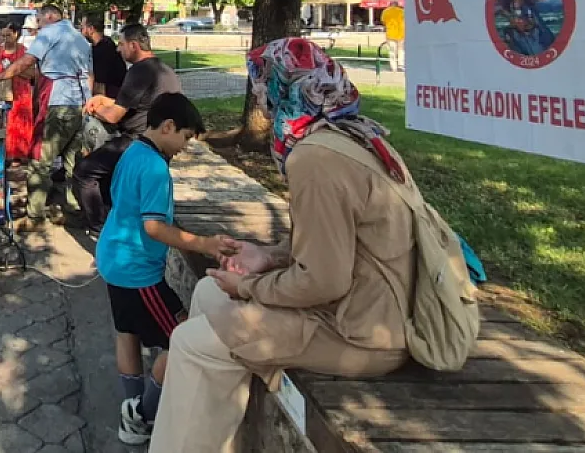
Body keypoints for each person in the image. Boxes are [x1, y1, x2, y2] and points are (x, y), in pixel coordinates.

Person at [148, 38, 418, 453]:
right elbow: (332, 239)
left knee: (190, 344)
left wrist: (250, 288)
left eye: (264, 92)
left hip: (363, 332)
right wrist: (269, 255)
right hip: (362, 306)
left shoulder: (313, 158)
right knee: (206, 290)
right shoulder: (352, 134)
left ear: (283, 92)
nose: (263, 104)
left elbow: (324, 281)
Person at [98, 93, 236, 446]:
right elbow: (155, 227)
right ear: (169, 126)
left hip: (113, 258)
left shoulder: (133, 151)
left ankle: (131, 403)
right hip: (138, 271)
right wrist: (205, 244)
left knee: (126, 331)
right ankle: (142, 415)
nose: (186, 147)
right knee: (181, 341)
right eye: (186, 138)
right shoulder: (156, 167)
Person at [76, 24, 182, 230]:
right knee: (107, 172)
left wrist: (92, 109)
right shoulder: (164, 70)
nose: (118, 49)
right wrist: (103, 99)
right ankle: (112, 215)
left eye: (121, 44)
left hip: (139, 141)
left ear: (133, 45)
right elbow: (134, 102)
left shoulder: (139, 71)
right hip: (161, 142)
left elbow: (114, 116)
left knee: (84, 172)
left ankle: (102, 226)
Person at [0, 5, 93, 229]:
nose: (37, 24)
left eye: (38, 19)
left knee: (40, 160)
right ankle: (73, 209)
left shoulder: (49, 33)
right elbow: (86, 74)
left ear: (49, 16)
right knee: (73, 161)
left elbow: (28, 61)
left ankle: (35, 217)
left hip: (57, 103)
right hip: (78, 103)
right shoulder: (78, 37)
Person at [0, 24, 41, 162]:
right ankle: (6, 155)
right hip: (2, 94)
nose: (5, 38)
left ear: (16, 34)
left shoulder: (24, 52)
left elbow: (32, 74)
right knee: (5, 124)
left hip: (21, 93)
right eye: (2, 35)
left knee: (21, 124)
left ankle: (22, 155)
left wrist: (14, 68)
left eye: (8, 35)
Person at [83, 15, 126, 100]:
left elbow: (99, 83)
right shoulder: (107, 43)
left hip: (109, 98)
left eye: (82, 27)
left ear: (91, 29)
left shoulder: (103, 50)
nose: (81, 31)